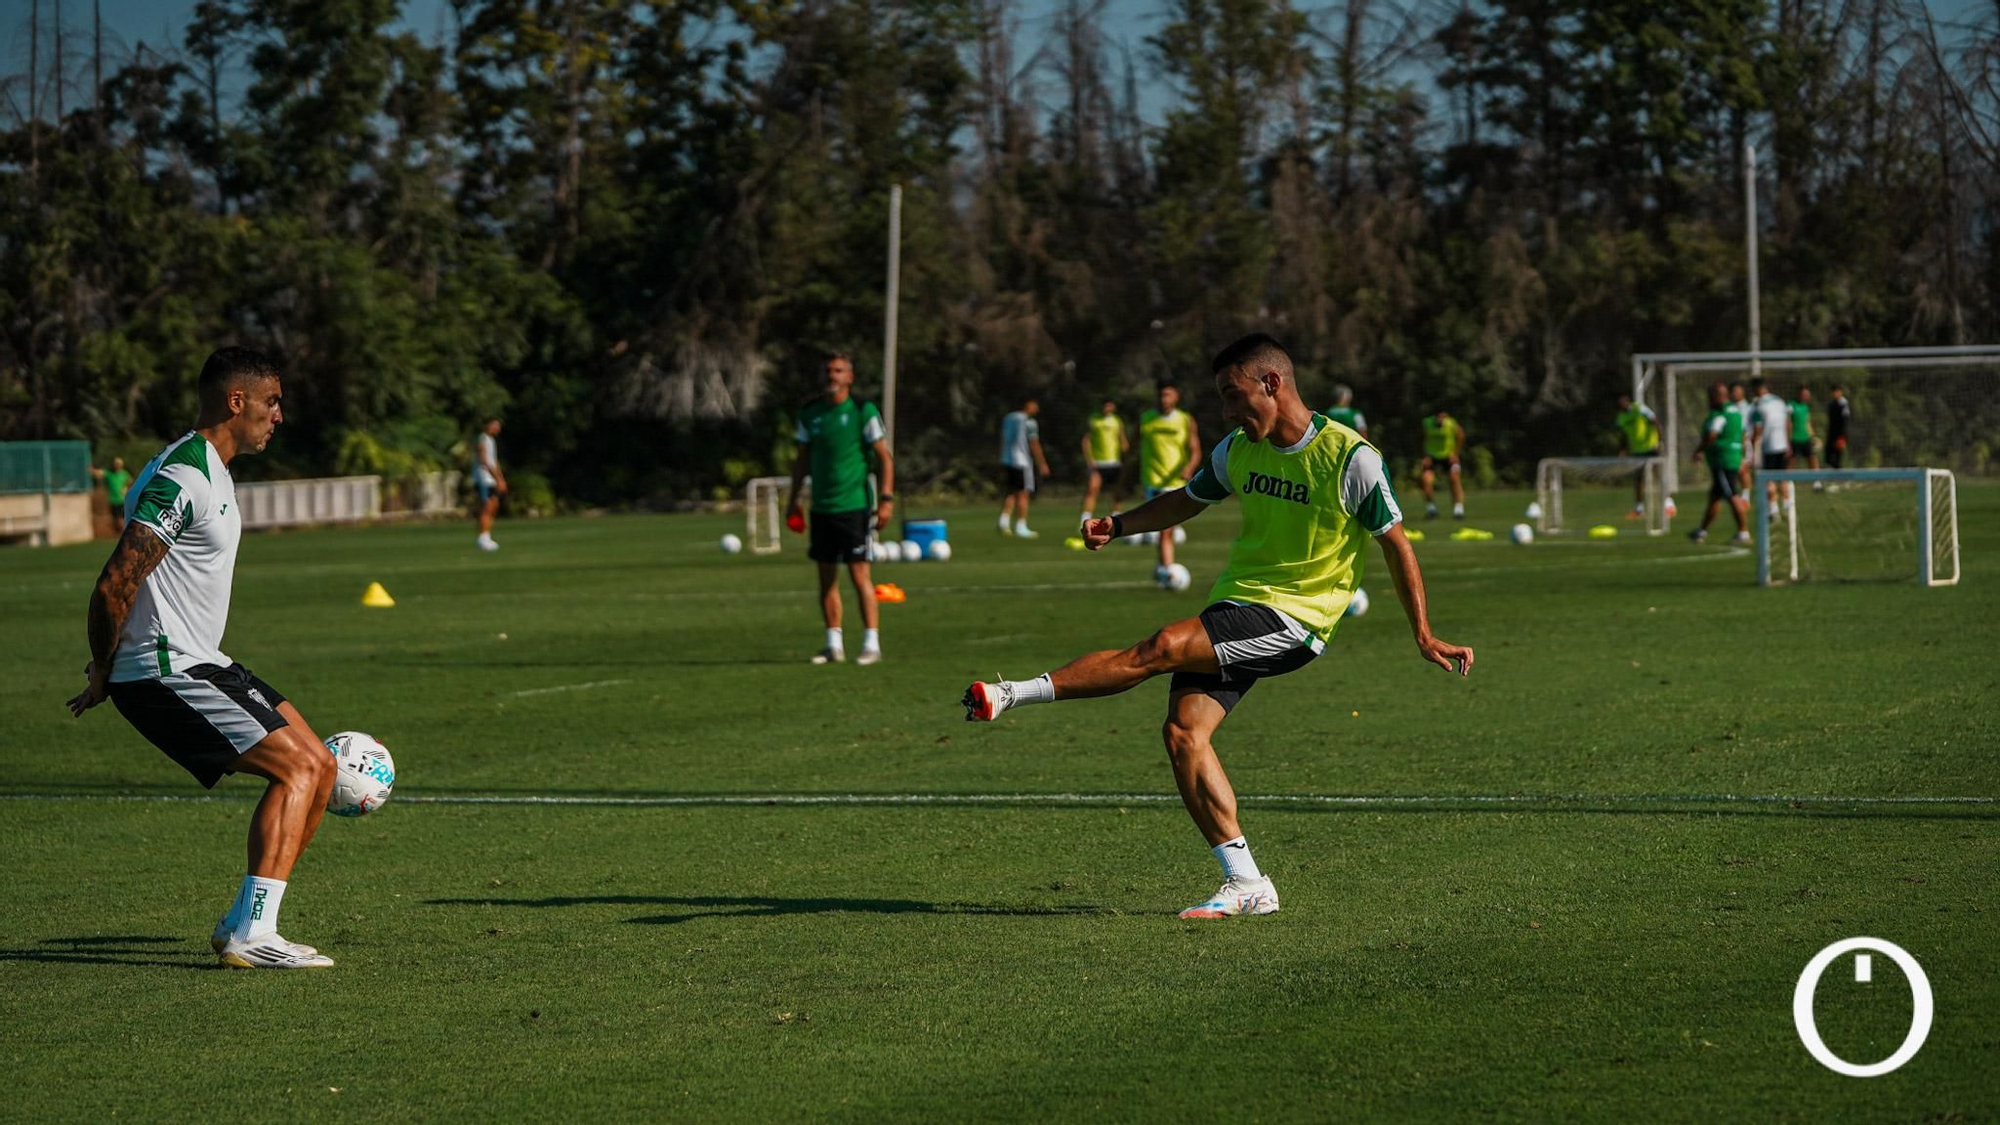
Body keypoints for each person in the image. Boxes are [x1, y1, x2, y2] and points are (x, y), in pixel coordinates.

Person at [962, 335, 1474, 918]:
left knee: (1161, 646)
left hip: (1297, 618)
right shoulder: (1238, 450)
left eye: (1234, 396)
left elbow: (1396, 546)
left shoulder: (1350, 457)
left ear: (1272, 384)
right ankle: (1247, 882)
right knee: (1183, 734)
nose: (1227, 412)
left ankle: (1013, 694)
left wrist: (1424, 633)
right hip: (1235, 604)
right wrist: (1120, 524)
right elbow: (1187, 499)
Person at [65, 346, 341, 969]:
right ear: (235, 401)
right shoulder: (183, 474)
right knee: (296, 771)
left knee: (320, 767)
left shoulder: (213, 468)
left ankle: (245, 923)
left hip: (200, 660)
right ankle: (253, 935)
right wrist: (105, 667)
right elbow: (115, 583)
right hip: (164, 670)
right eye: (272, 402)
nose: (279, 416)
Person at [787, 353, 895, 666]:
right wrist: (794, 499)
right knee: (825, 578)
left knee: (860, 574)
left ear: (850, 377)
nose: (831, 376)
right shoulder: (810, 413)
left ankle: (870, 642)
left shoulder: (863, 410)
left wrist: (886, 500)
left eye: (838, 371)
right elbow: (802, 460)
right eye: (827, 371)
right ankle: (833, 644)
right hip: (821, 508)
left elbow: (885, 458)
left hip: (855, 507)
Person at [1137, 382, 1201, 574]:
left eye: (1168, 395)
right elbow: (1133, 447)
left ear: (1176, 397)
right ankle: (1167, 570)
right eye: (1161, 395)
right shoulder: (1146, 419)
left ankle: (1162, 567)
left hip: (1176, 482)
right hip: (1154, 480)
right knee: (1166, 529)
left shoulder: (1185, 420)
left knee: (1166, 529)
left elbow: (1195, 450)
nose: (1164, 399)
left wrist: (1189, 468)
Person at [1690, 381, 1750, 543]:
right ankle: (1701, 531)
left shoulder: (1720, 415)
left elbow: (1711, 436)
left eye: (1711, 397)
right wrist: (1742, 454)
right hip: (1732, 457)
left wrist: (1699, 451)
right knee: (1715, 497)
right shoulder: (1736, 413)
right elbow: (1744, 435)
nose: (1709, 400)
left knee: (1732, 495)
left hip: (1722, 460)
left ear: (1718, 396)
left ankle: (1743, 532)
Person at [996, 397, 1051, 538]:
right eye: (1035, 405)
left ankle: (1003, 522)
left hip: (1008, 459)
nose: (1036, 408)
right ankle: (1021, 526)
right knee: (1023, 494)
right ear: (1028, 405)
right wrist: (1042, 463)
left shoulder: (1009, 418)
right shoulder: (1029, 422)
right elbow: (1034, 443)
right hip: (1021, 461)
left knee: (1011, 492)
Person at [1613, 393, 1672, 519]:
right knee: (1638, 479)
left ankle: (1668, 504)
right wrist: (1622, 449)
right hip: (1637, 451)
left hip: (1651, 448)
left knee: (1658, 475)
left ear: (1627, 400)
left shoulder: (1639, 409)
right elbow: (1624, 435)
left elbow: (1655, 421)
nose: (1621, 404)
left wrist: (1659, 441)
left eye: (1623, 401)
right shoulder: (1620, 417)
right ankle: (1639, 508)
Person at [1079, 398, 1129, 526]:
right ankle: (1085, 519)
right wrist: (1089, 460)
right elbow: (1086, 441)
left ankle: (1116, 516)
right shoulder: (1094, 420)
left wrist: (1126, 456)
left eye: (1110, 406)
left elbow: (1122, 439)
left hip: (1114, 462)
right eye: (1105, 405)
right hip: (1098, 463)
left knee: (1117, 491)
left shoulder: (1117, 421)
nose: (1107, 408)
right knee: (1092, 489)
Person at [1750, 378, 1792, 515]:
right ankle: (1786, 505)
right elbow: (1787, 423)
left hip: (1768, 447)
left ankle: (1773, 508)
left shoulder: (1758, 404)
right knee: (1783, 476)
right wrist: (1788, 442)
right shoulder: (1779, 401)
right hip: (1782, 445)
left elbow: (1757, 429)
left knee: (1769, 478)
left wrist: (1752, 447)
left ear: (1757, 388)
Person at [1418, 410, 1465, 519]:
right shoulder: (1427, 423)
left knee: (1454, 478)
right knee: (1426, 480)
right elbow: (1420, 438)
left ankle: (1458, 509)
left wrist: (1455, 453)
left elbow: (1461, 436)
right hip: (1432, 456)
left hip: (1448, 456)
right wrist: (1424, 455)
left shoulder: (1451, 423)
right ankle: (1431, 509)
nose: (1441, 419)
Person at [471, 418, 507, 551]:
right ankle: (482, 538)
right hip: (483, 479)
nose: (497, 428)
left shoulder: (491, 440)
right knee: (486, 507)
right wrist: (497, 478)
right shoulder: (481, 439)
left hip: (491, 479)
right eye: (494, 425)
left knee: (494, 506)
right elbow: (484, 460)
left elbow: (494, 461)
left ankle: (487, 535)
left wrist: (501, 479)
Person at [92, 456, 133, 535]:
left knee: (121, 519)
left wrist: (126, 489)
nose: (117, 465)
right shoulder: (109, 473)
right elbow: (99, 473)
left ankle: (124, 533)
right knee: (115, 519)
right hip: (113, 500)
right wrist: (92, 470)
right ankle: (121, 533)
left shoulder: (124, 474)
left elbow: (130, 482)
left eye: (118, 464)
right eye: (116, 464)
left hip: (122, 500)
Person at [1729, 382, 1755, 499]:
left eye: (1736, 391)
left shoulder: (1749, 408)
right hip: (1732, 442)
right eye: (1733, 391)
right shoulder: (1729, 408)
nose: (1734, 394)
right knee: (1734, 469)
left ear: (1742, 392)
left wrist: (1749, 441)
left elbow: (1751, 426)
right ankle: (1737, 494)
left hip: (1745, 441)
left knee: (1743, 469)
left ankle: (1746, 496)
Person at [1790, 385, 1819, 473]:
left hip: (1806, 438)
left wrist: (1813, 436)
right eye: (1804, 394)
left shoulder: (1805, 407)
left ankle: (1816, 481)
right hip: (1794, 438)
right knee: (1792, 461)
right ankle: (1788, 482)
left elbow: (1807, 422)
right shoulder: (1791, 405)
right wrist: (1788, 437)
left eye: (1807, 394)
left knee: (1812, 458)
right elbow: (1788, 422)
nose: (1806, 396)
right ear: (1799, 394)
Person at [1825, 385, 1851, 469]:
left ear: (1840, 392)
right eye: (1833, 392)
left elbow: (1845, 421)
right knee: (1827, 457)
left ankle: (1840, 475)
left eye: (1837, 391)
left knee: (1837, 456)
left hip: (1840, 434)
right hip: (1832, 433)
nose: (1835, 393)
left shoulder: (1844, 404)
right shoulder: (1831, 404)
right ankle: (1837, 472)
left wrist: (1843, 437)